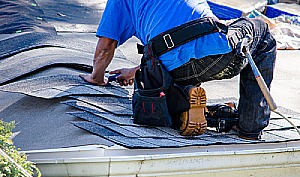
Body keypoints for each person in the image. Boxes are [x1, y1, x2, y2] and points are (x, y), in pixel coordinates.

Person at [80, 0, 277, 140]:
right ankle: (250, 127)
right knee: (261, 30)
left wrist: (97, 78)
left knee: (168, 72)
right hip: (218, 55)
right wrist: (134, 71)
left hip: (169, 70)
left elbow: (106, 45)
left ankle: (185, 102)